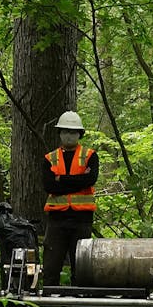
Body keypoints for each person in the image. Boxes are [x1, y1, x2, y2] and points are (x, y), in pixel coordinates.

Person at [42, 110, 99, 287]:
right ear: (59, 133)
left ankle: (80, 304)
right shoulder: (49, 158)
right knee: (51, 266)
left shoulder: (90, 155)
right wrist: (77, 181)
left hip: (82, 220)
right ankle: (50, 305)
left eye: (73, 132)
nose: (69, 135)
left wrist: (61, 179)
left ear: (79, 134)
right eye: (65, 131)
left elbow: (90, 179)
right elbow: (49, 186)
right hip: (56, 220)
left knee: (81, 267)